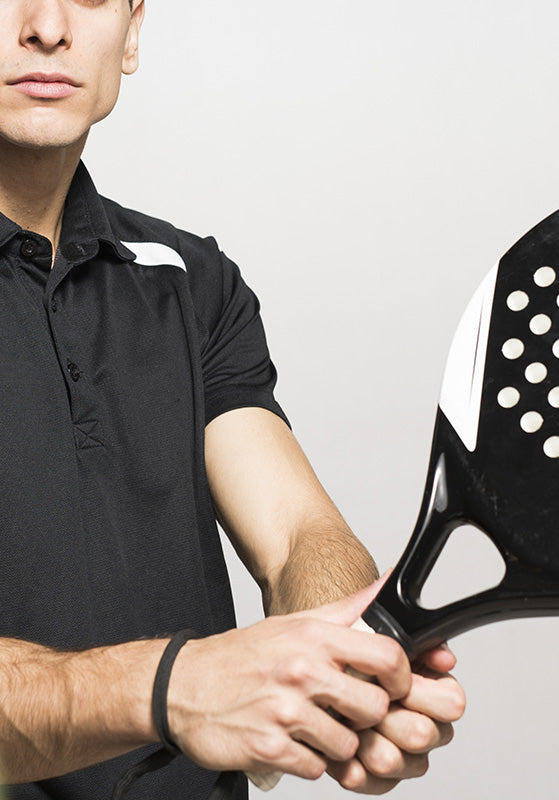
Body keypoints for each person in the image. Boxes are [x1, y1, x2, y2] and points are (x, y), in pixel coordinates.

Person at [0, 1, 465, 798]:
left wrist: (341, 661)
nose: (48, 25)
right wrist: (177, 690)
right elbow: (187, 687)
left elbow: (294, 537)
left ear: (133, 30)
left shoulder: (189, 280)